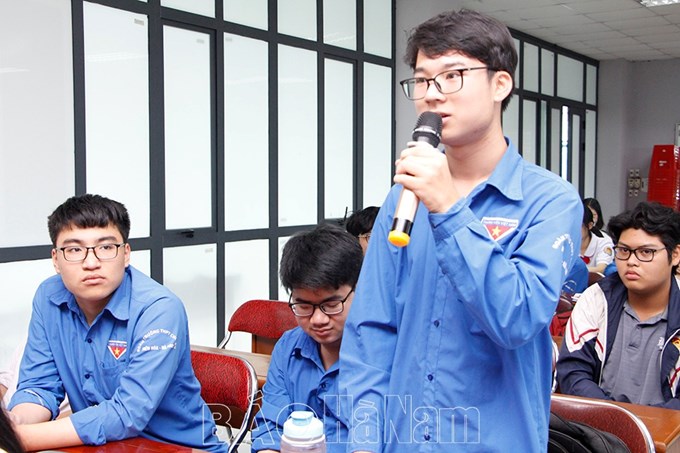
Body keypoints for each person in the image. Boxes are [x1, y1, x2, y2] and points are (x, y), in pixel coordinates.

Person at [338, 9, 582, 453]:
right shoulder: (402, 199)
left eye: (452, 76)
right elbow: (370, 331)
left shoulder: (550, 201)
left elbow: (518, 319)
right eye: (422, 80)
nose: (432, 94)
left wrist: (448, 207)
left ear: (500, 84)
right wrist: (365, 441)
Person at [7, 194, 226, 452]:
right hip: (105, 446)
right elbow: (39, 385)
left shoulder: (159, 309)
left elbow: (127, 413)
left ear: (126, 254)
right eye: (74, 250)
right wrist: (13, 424)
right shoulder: (49, 297)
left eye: (106, 247)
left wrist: (20, 440)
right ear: (56, 259)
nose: (91, 263)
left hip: (179, 448)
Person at [250, 223, 363, 452]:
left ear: (360, 289)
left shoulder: (381, 354)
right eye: (303, 306)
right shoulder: (288, 347)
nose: (318, 319)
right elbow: (272, 426)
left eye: (331, 305)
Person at [556, 201, 680, 408]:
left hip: (669, 427)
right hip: (597, 424)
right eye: (624, 250)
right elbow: (573, 372)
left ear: (675, 255)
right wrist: (616, 419)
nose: (631, 261)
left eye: (646, 252)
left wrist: (647, 423)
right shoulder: (596, 299)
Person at [580, 203, 614, 274]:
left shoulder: (603, 242)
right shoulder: (566, 243)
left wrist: (574, 271)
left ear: (590, 225)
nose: (573, 231)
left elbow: (600, 269)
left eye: (578, 226)